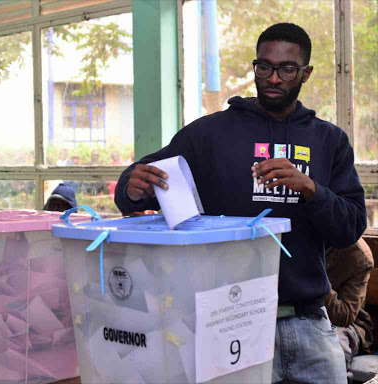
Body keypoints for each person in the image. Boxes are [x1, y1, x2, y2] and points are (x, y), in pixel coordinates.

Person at [115, 23, 367, 384]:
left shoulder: (329, 140)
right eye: (263, 67)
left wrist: (312, 189)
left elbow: (351, 227)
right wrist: (132, 186)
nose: (273, 78)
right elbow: (145, 179)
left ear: (306, 73)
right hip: (226, 319)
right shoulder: (209, 134)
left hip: (308, 320)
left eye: (286, 69)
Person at [325, 238, 374, 370]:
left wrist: (318, 279)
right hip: (298, 315)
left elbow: (344, 315)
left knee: (331, 350)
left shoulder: (358, 256)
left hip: (348, 325)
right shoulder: (297, 239)